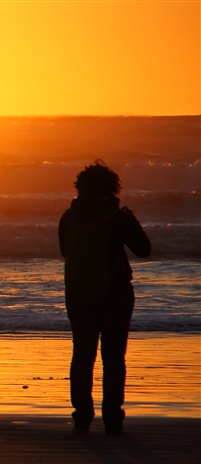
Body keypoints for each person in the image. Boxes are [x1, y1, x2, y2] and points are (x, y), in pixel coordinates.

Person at [58, 160, 151, 434]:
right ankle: (112, 418)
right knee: (113, 357)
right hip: (116, 293)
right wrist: (129, 219)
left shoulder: (69, 216)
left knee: (82, 355)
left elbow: (66, 252)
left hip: (78, 293)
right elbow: (144, 249)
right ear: (112, 187)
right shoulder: (118, 217)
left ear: (80, 187)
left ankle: (82, 417)